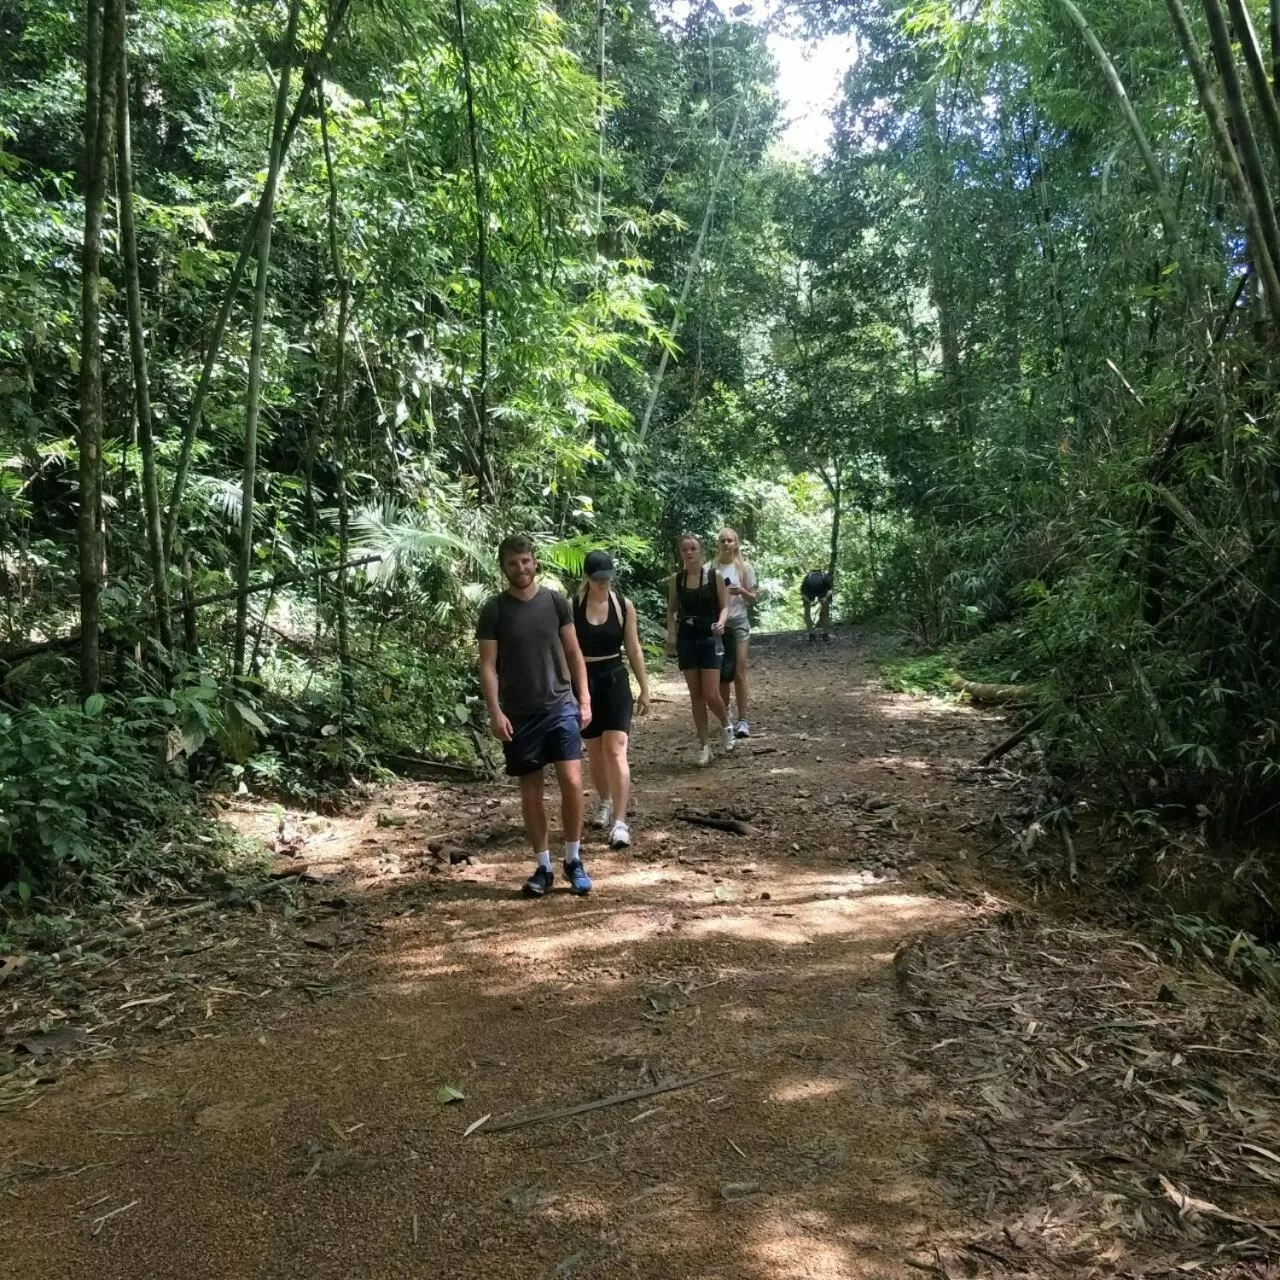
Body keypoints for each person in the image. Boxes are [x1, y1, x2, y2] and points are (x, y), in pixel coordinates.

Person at [477, 535, 593, 898]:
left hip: (560, 706)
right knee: (531, 792)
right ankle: (543, 866)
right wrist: (495, 711)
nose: (521, 568)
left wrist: (584, 699)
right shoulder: (494, 609)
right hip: (519, 714)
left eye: (525, 561)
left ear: (535, 562)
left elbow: (573, 652)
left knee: (572, 783)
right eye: (513, 563)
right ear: (503, 567)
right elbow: (487, 665)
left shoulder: (555, 601)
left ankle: (573, 860)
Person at [573, 550, 651, 850]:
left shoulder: (623, 606)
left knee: (616, 748)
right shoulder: (573, 606)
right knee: (594, 748)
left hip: (615, 678)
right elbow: (567, 650)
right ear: (588, 578)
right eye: (598, 579)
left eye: (607, 578)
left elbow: (633, 647)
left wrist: (644, 688)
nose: (603, 583)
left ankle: (620, 821)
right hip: (585, 681)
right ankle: (604, 800)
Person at [666, 533, 734, 767]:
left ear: (701, 550)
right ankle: (704, 745)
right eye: (685, 549)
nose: (689, 553)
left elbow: (724, 606)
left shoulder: (714, 576)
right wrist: (671, 635)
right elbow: (671, 610)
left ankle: (726, 725)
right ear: (681, 553)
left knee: (711, 693)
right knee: (695, 695)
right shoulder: (677, 580)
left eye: (693, 548)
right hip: (687, 639)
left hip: (710, 637)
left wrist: (721, 623)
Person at [712, 527, 757, 738]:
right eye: (723, 540)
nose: (726, 544)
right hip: (719, 625)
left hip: (739, 622)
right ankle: (726, 715)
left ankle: (743, 720)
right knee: (723, 675)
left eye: (730, 540)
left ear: (736, 543)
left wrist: (742, 591)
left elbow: (753, 598)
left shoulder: (744, 568)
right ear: (718, 544)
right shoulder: (710, 568)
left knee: (739, 672)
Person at [801, 568, 833, 642]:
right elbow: (830, 590)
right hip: (821, 591)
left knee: (807, 614)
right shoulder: (824, 576)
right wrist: (826, 598)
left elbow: (803, 593)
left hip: (809, 592)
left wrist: (807, 601)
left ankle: (811, 634)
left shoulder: (807, 577)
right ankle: (825, 634)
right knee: (825, 613)